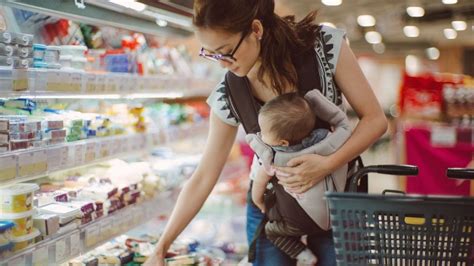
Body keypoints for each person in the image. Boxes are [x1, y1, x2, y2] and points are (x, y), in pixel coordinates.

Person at [145, 0, 388, 265]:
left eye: (226, 52)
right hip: (273, 208)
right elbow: (204, 175)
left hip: (339, 199)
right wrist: (161, 248)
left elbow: (375, 120)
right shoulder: (230, 93)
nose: (222, 64)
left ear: (256, 29)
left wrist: (326, 164)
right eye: (210, 54)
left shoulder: (324, 46)